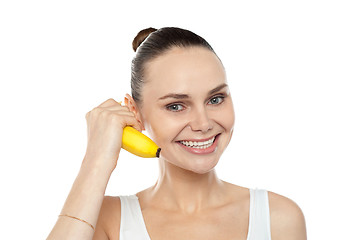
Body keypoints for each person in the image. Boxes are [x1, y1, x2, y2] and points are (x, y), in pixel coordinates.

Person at [47, 27, 307, 240]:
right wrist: (96, 159)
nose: (203, 123)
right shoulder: (104, 220)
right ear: (135, 113)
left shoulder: (279, 218)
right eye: (176, 106)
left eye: (215, 99)